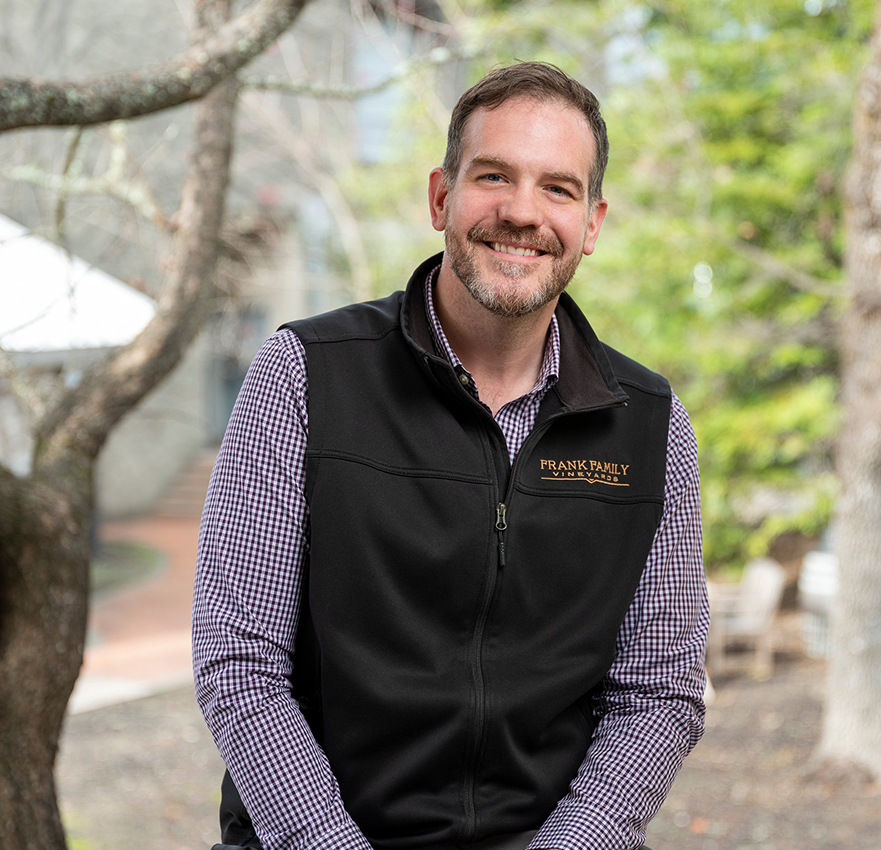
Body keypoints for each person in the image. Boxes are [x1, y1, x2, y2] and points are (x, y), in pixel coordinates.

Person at [193, 61, 708, 850]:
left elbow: (660, 693)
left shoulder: (651, 426)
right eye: (493, 176)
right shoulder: (304, 375)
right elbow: (240, 665)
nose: (522, 212)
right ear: (442, 196)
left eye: (558, 189)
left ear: (593, 224)